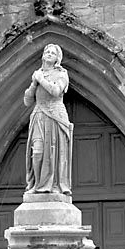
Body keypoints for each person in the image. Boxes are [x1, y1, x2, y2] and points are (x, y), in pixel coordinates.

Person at [23, 43, 73, 194]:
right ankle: (37, 185)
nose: (49, 54)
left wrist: (41, 80)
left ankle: (53, 186)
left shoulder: (61, 74)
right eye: (47, 51)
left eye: (53, 53)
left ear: (58, 58)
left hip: (55, 116)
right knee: (37, 152)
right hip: (39, 115)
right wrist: (34, 82)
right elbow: (27, 101)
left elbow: (56, 91)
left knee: (53, 153)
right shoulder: (37, 74)